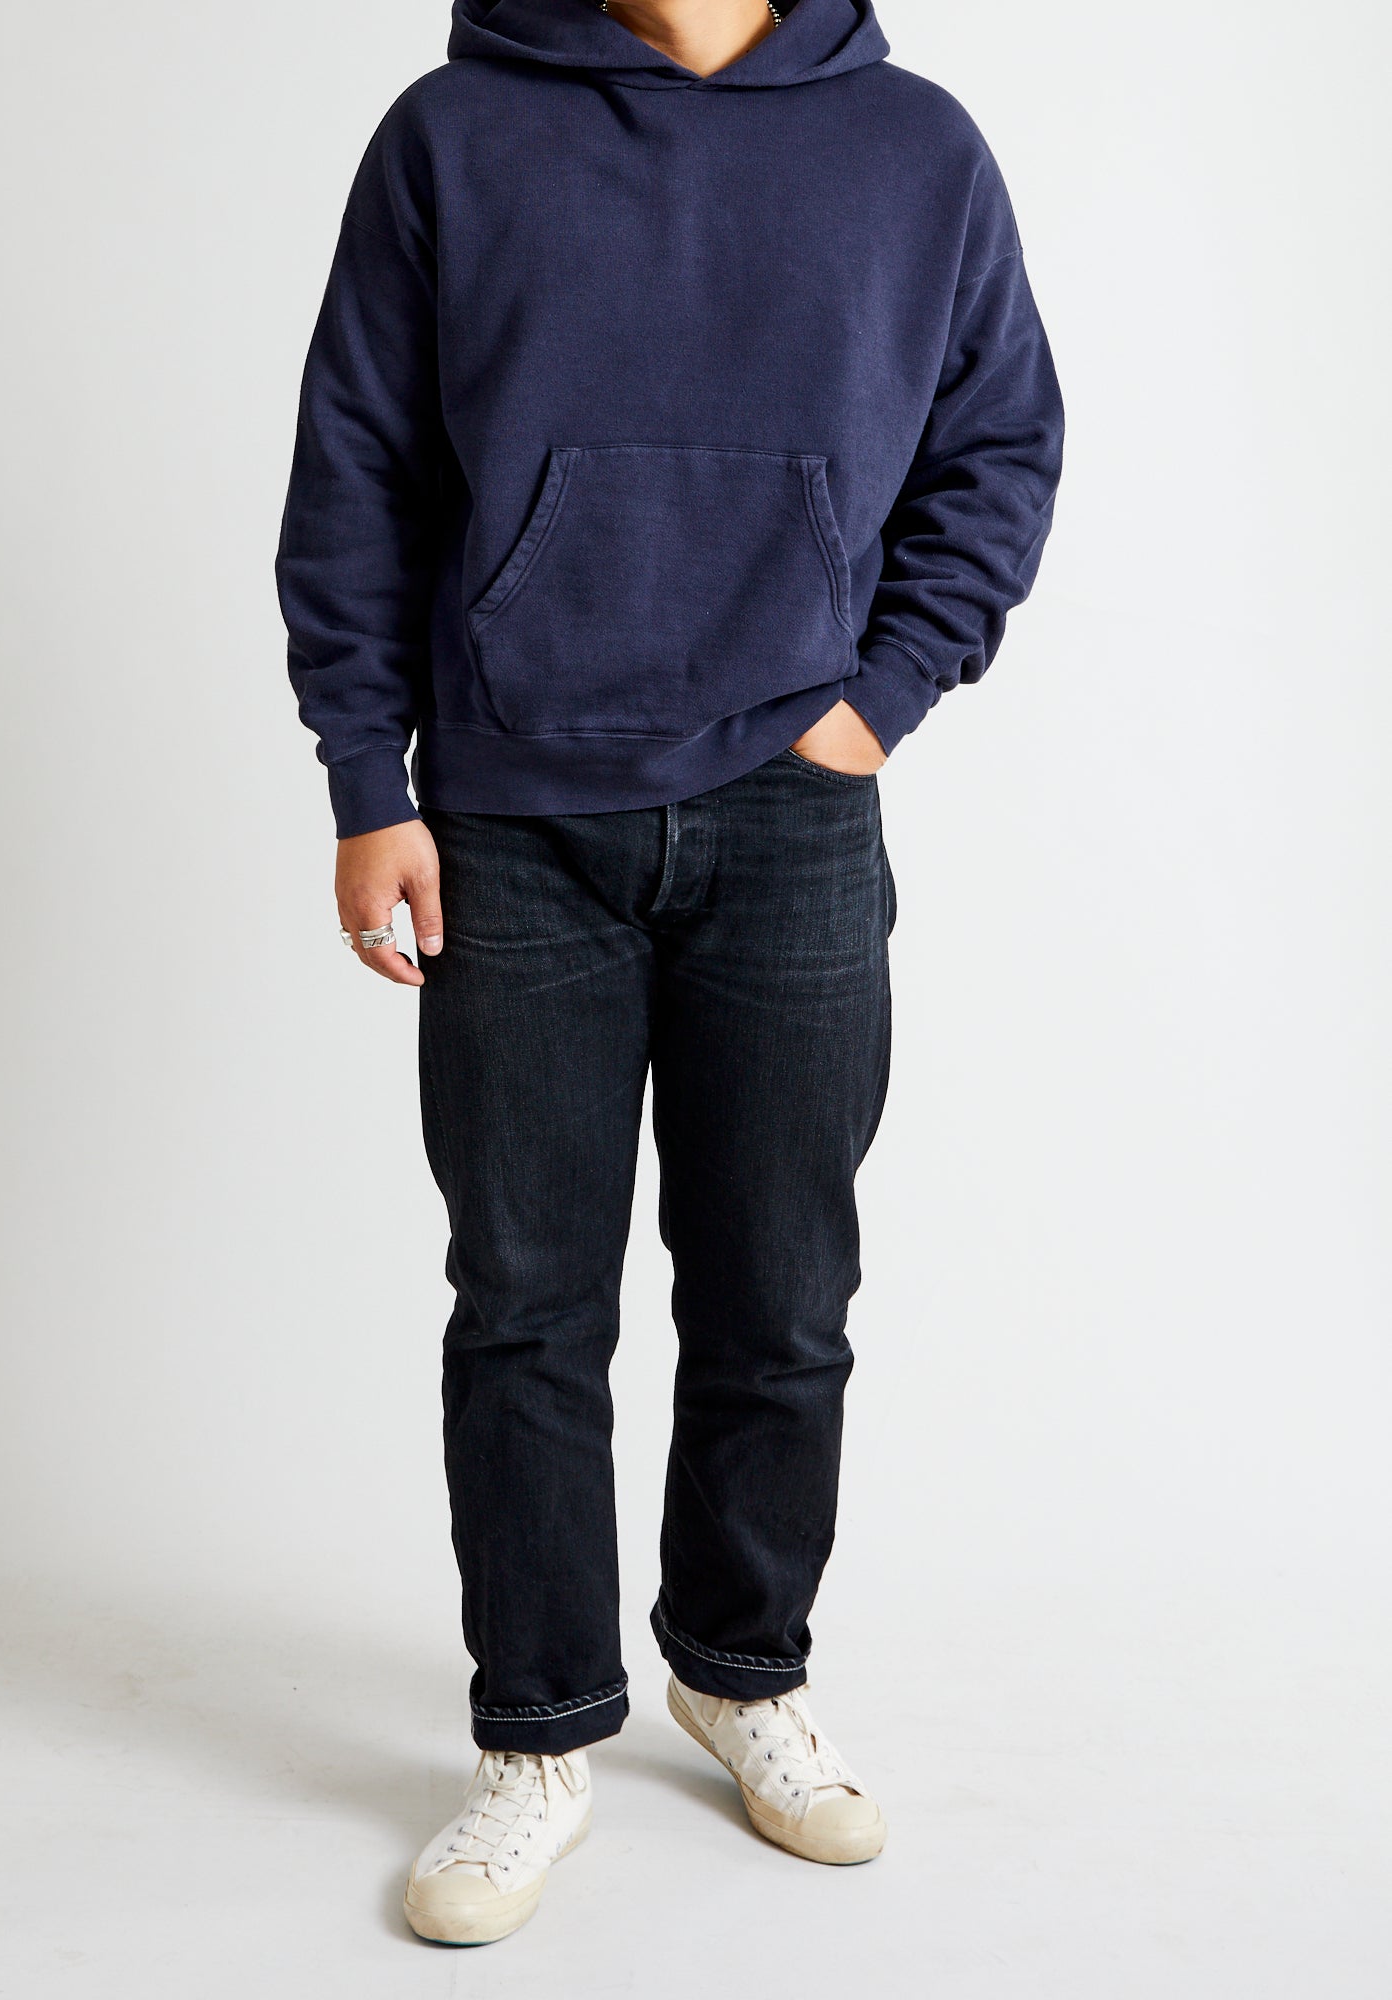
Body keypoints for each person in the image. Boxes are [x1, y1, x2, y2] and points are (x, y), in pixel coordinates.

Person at [277, 0, 1062, 1947]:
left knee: (782, 1294)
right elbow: (358, 460)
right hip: (509, 818)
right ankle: (536, 1730)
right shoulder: (454, 134)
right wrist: (369, 781)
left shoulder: (913, 147)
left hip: (794, 814)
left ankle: (741, 1670)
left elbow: (999, 445)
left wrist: (880, 699)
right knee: (526, 1304)